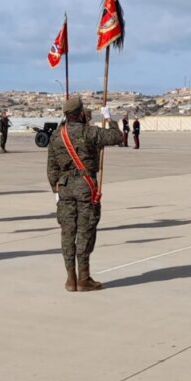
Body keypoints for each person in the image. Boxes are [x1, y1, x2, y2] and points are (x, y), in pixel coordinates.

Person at [47, 96, 124, 291]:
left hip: (64, 187)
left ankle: (70, 279)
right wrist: (110, 118)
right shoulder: (89, 132)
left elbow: (52, 167)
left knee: (67, 232)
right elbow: (116, 137)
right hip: (85, 184)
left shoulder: (57, 135)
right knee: (85, 230)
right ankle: (84, 278)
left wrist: (55, 189)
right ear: (80, 113)